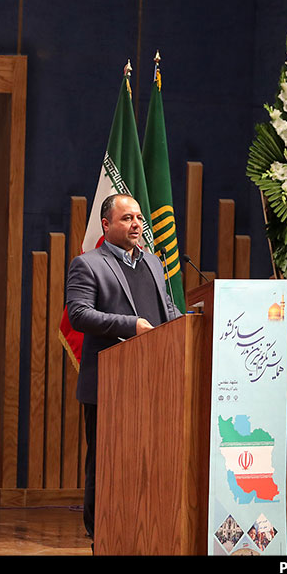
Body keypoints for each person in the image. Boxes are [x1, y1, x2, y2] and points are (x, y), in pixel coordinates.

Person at [65, 193, 182, 543]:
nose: (136, 224)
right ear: (106, 225)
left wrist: (193, 326)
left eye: (139, 218)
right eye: (127, 218)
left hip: (155, 381)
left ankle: (145, 528)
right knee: (107, 462)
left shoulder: (154, 263)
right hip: (110, 383)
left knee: (150, 460)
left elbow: (168, 312)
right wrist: (131, 325)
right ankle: (101, 534)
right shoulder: (88, 264)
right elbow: (79, 314)